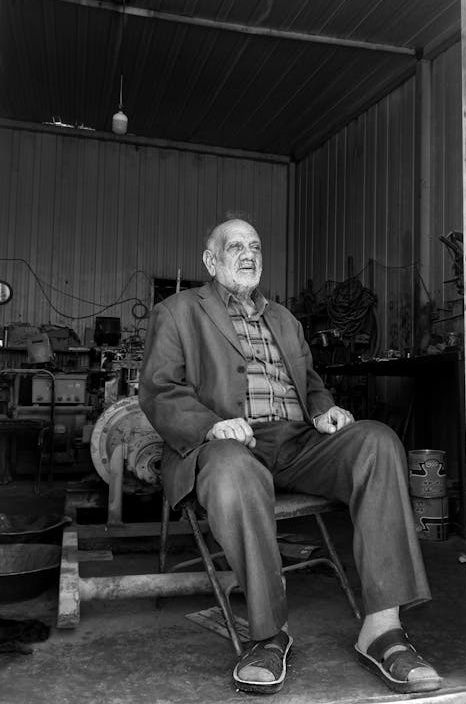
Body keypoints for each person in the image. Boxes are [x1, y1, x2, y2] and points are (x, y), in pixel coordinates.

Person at [139, 218, 441, 695]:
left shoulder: (284, 319)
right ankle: (268, 634)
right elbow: (158, 391)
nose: (248, 253)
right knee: (234, 469)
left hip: (298, 444)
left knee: (377, 441)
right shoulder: (177, 312)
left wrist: (323, 411)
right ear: (210, 260)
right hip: (225, 445)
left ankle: (382, 629)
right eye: (235, 246)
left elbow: (312, 384)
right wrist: (210, 424)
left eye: (255, 246)